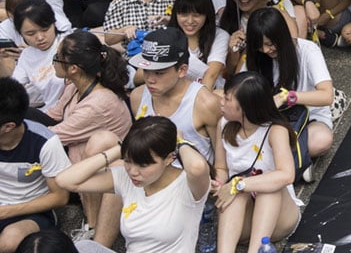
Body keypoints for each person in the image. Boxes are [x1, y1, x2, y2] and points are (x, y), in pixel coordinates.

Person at [55, 116, 210, 253]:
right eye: (128, 162)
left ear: (169, 158)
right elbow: (65, 180)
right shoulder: (126, 178)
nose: (133, 172)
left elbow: (198, 167)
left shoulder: (188, 185)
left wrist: (180, 143)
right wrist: (120, 149)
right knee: (84, 247)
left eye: (143, 165)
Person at [46, 32, 130, 246]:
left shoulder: (98, 103)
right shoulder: (75, 87)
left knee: (96, 142)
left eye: (57, 58)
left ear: (73, 68)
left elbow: (53, 136)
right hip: (85, 167)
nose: (53, 62)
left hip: (108, 174)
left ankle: (92, 225)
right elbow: (53, 115)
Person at [211, 72, 300, 253]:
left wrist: (239, 184)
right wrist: (219, 184)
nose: (221, 101)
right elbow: (221, 167)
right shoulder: (223, 124)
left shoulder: (275, 130)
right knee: (236, 190)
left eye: (227, 99)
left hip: (279, 217)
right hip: (243, 220)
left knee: (266, 185)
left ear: (245, 108)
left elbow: (287, 175)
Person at [244, 8, 334, 167]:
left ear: (281, 36)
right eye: (259, 46)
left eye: (270, 44)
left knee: (321, 139)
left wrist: (288, 97)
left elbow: (327, 96)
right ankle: (296, 161)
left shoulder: (307, 50)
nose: (265, 50)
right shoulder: (257, 57)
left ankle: (275, 163)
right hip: (271, 121)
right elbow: (239, 91)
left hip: (309, 118)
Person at [128, 28, 220, 164]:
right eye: (146, 71)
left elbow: (221, 159)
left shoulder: (206, 103)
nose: (150, 79)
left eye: (159, 73)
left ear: (182, 70)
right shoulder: (137, 96)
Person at [0, 78, 70, 252]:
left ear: (8, 126)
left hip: (31, 211)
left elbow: (60, 197)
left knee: (9, 241)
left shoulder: (44, 142)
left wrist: (6, 211)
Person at [6, 0, 66, 111]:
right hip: (48, 111)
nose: (40, 37)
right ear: (20, 34)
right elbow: (14, 88)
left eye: (44, 29)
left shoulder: (68, 44)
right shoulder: (26, 56)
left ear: (54, 23)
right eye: (30, 34)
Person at [166, 0, 228, 90]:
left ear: (207, 15)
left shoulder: (220, 36)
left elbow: (211, 75)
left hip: (206, 94)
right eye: (184, 15)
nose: (190, 21)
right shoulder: (166, 37)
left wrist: (195, 104)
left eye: (196, 15)